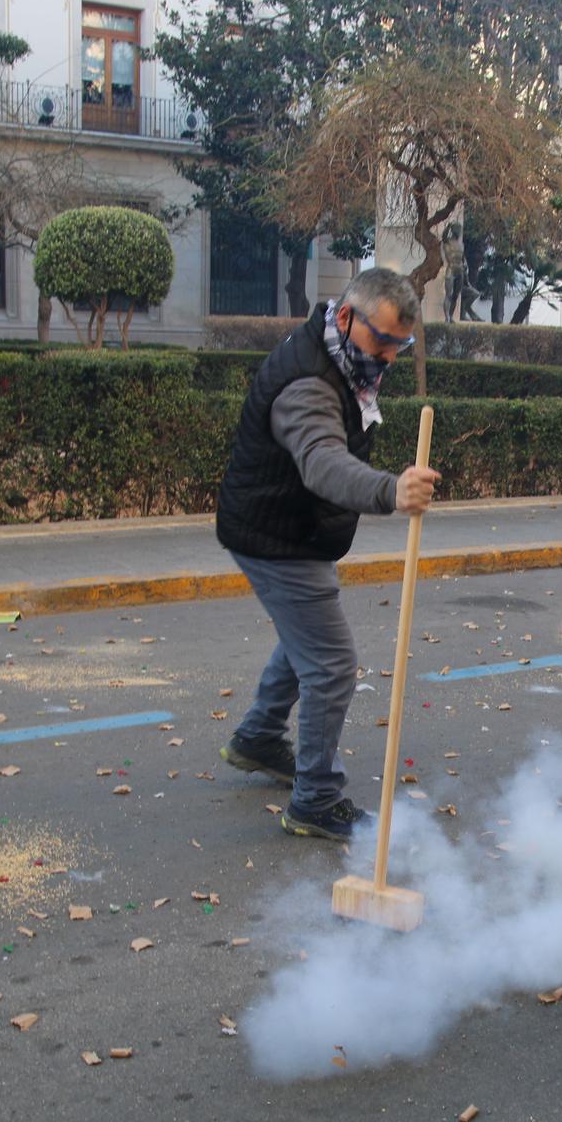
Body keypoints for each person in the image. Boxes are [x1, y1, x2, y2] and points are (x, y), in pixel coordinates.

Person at [215, 268, 440, 841]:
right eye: (382, 341)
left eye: (400, 345)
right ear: (346, 318)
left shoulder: (339, 355)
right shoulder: (309, 383)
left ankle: (259, 739)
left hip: (292, 529)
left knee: (307, 641)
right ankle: (315, 798)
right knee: (332, 664)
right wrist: (392, 490)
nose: (388, 357)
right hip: (276, 537)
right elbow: (321, 462)